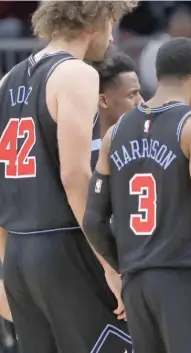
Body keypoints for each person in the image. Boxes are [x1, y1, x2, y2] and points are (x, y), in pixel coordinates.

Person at [82, 37, 191, 353]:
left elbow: (93, 220)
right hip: (183, 280)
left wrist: (123, 267)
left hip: (137, 285)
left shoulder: (116, 133)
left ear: (157, 75)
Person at [0, 2, 137, 353]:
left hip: (19, 253)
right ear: (97, 19)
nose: (111, 35)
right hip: (64, 247)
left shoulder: (6, 81)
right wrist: (109, 262)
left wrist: (5, 264)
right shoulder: (76, 73)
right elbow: (76, 176)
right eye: (112, 23)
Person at [90, 49, 143, 166]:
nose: (141, 102)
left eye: (139, 93)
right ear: (103, 101)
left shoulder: (148, 147)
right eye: (132, 94)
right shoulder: (82, 156)